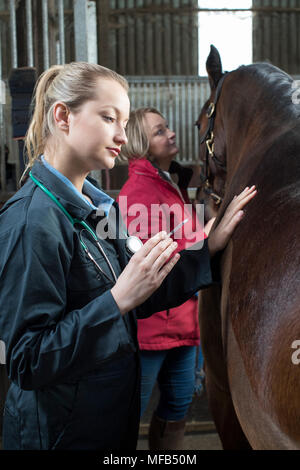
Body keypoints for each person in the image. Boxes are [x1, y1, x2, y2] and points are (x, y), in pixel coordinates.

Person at [0, 63, 256, 451]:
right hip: (60, 435)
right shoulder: (32, 221)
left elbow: (142, 290)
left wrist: (209, 247)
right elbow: (27, 360)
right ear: (63, 116)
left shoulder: (102, 209)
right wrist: (115, 301)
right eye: (108, 118)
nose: (122, 134)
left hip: (106, 423)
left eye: (123, 120)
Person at [117, 107, 216, 449]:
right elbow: (157, 263)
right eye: (160, 132)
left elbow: (187, 243)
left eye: (167, 127)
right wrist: (210, 239)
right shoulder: (139, 194)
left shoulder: (168, 184)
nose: (171, 133)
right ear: (143, 145)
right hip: (154, 329)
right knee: (129, 413)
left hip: (184, 325)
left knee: (178, 407)